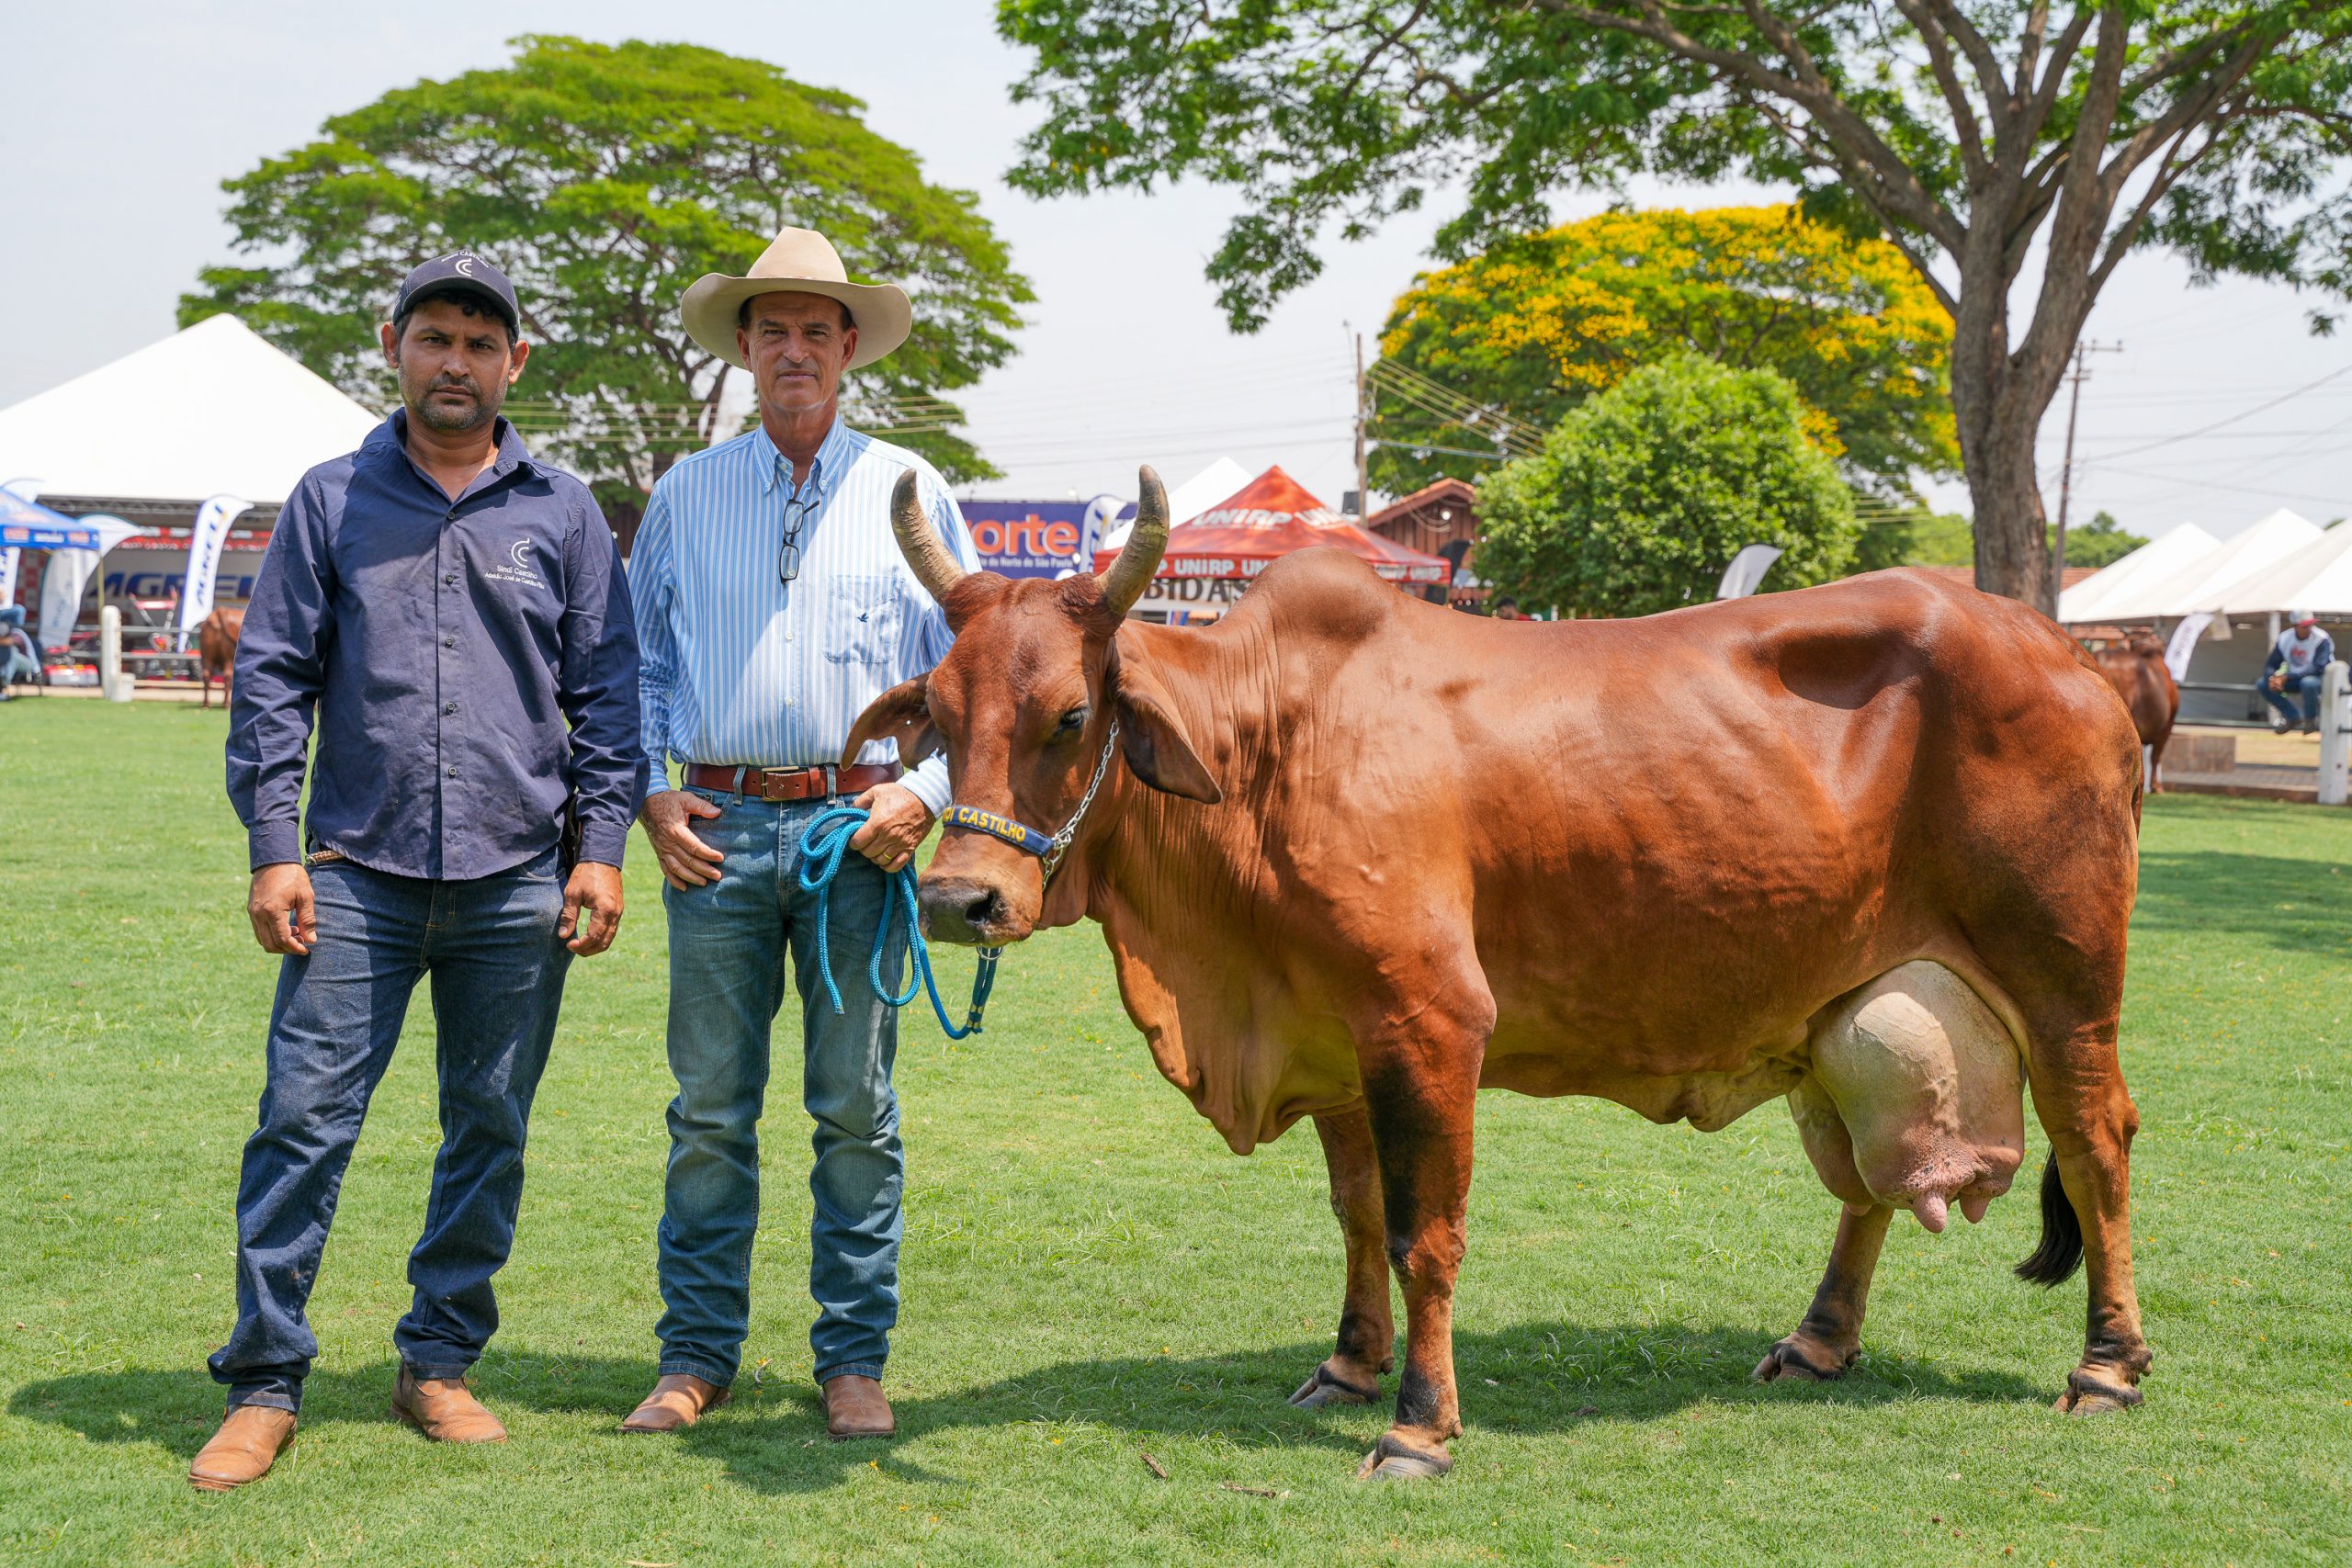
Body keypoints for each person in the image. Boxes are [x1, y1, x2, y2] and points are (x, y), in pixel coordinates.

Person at [194, 253, 644, 1492]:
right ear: (393, 342)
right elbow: (272, 677)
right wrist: (271, 847)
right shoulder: (333, 497)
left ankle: (438, 1358)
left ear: (517, 362)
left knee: (488, 1123)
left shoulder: (561, 511)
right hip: (353, 871)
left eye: (480, 344)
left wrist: (600, 850)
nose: (457, 362)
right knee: (303, 1119)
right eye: (435, 337)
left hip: (516, 876)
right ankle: (265, 1380)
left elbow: (607, 693)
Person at [621, 227, 976, 1443]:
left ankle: (852, 1359)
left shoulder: (915, 490)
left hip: (855, 832)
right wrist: (650, 794)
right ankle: (694, 1354)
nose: (793, 348)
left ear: (848, 349)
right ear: (743, 346)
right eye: (771, 328)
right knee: (710, 1107)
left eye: (816, 329)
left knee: (854, 1108)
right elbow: (633, 665)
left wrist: (924, 791)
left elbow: (979, 680)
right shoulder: (684, 490)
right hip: (712, 826)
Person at [2259, 612, 2335, 735]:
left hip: (2320, 678)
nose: (2309, 628)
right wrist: (2272, 679)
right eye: (2305, 626)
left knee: (2308, 683)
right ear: (2294, 626)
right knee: (2263, 684)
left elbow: (2319, 668)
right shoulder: (2285, 638)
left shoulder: (2321, 638)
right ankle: (2293, 716)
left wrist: (2286, 677)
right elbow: (2271, 664)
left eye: (2311, 625)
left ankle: (2311, 720)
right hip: (2294, 678)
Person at [0, 605, 36, 695]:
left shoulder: (17, 632)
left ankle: (2, 687)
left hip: (29, 663)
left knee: (11, 655)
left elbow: (8, 642)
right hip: (9, 662)